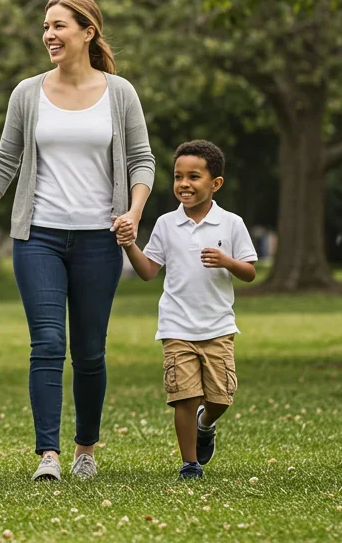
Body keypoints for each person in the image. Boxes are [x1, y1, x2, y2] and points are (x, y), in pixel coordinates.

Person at [0, 0, 154, 481]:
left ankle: (85, 450)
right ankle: (48, 455)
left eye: (59, 26)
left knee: (90, 351)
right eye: (46, 26)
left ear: (88, 32)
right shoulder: (27, 93)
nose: (49, 35)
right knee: (47, 343)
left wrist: (133, 212)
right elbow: (4, 160)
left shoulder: (120, 93)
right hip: (39, 236)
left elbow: (141, 159)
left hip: (100, 239)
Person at [119, 140, 257, 480]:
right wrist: (129, 244)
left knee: (220, 398)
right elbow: (148, 271)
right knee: (185, 396)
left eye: (194, 177)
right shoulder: (166, 224)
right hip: (176, 326)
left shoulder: (231, 223)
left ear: (215, 183)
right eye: (178, 176)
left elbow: (250, 272)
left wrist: (227, 261)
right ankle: (190, 463)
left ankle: (205, 424)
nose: (184, 184)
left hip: (218, 327)